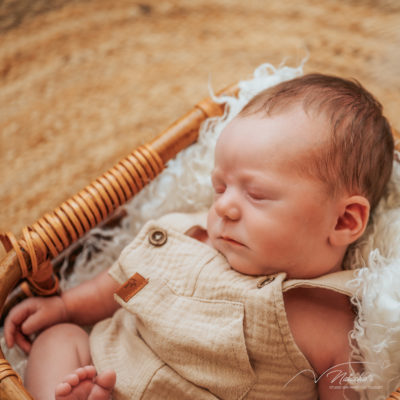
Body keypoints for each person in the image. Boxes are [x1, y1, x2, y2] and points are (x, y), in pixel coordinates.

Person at [4, 73, 394, 400]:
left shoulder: (325, 318)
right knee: (58, 339)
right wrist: (66, 308)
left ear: (344, 221)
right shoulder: (187, 235)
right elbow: (122, 284)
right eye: (220, 187)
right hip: (107, 369)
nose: (224, 207)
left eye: (255, 194)